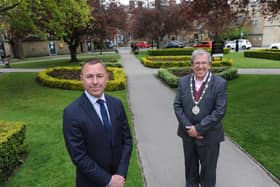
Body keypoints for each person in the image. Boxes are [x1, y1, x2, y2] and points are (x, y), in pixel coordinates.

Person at [63, 60, 133, 187]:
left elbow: (127, 141)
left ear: (106, 78)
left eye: (99, 76)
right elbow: (79, 156)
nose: (95, 82)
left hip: (118, 180)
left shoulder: (117, 104)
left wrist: (121, 174)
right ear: (82, 79)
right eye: (89, 76)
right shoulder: (71, 112)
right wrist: (108, 181)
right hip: (91, 183)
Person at [173, 49, 227, 187]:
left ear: (209, 65)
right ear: (192, 65)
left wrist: (199, 129)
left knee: (208, 173)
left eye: (204, 63)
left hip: (210, 136)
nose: (200, 66)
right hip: (188, 135)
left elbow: (220, 111)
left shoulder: (220, 83)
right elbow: (177, 105)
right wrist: (189, 128)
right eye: (197, 63)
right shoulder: (183, 82)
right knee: (190, 171)